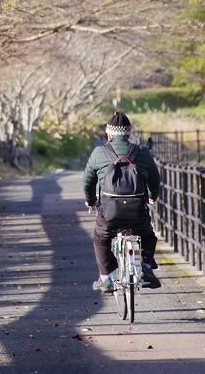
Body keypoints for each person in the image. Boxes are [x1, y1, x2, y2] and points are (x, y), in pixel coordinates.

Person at [83, 111, 161, 292]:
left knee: (101, 237)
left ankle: (106, 278)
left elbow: (88, 180)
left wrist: (90, 200)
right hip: (137, 210)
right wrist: (153, 195)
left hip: (109, 211)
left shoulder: (99, 152)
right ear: (128, 133)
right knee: (148, 235)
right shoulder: (141, 152)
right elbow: (154, 178)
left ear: (109, 133)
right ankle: (147, 266)